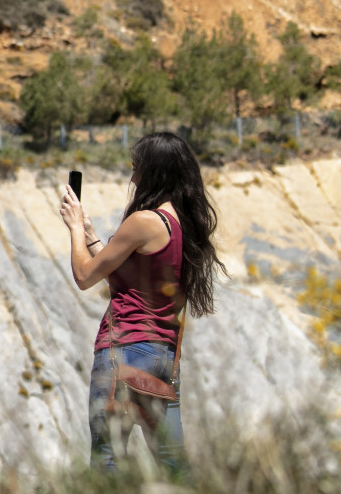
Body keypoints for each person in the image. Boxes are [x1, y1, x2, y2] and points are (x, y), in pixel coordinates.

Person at [59, 131, 223, 471]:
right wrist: (91, 236)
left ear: (154, 172)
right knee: (173, 465)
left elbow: (85, 276)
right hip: (163, 357)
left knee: (108, 457)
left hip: (124, 349)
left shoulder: (143, 221)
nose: (133, 178)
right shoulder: (183, 225)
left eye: (137, 169)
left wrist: (74, 229)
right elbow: (123, 277)